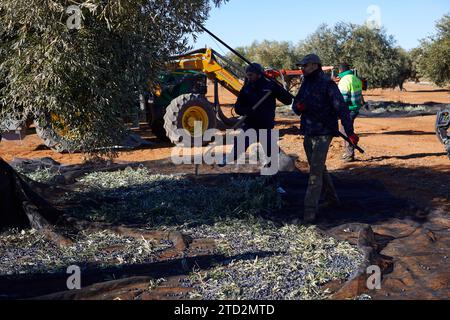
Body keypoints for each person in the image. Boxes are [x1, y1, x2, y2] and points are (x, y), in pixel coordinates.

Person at [292, 54, 359, 223]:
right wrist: (298, 107)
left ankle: (309, 212)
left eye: (304, 65)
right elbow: (296, 105)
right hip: (308, 131)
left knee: (314, 173)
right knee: (318, 167)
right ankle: (332, 198)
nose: (302, 68)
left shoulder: (328, 84)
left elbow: (342, 109)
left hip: (324, 132)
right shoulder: (305, 82)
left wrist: (349, 132)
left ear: (315, 65)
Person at [219, 63, 292, 167]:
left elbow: (288, 100)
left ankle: (279, 170)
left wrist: (278, 89)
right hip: (250, 125)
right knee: (239, 146)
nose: (248, 77)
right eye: (247, 75)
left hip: (265, 126)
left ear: (259, 74)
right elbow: (237, 108)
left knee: (271, 153)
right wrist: (246, 111)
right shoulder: (246, 88)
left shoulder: (270, 86)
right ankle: (228, 158)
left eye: (251, 75)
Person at [336, 63, 364, 162]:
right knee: (346, 129)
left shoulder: (344, 81)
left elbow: (342, 99)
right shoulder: (355, 78)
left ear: (340, 71)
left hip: (348, 109)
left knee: (345, 131)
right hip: (355, 108)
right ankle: (348, 152)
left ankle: (349, 154)